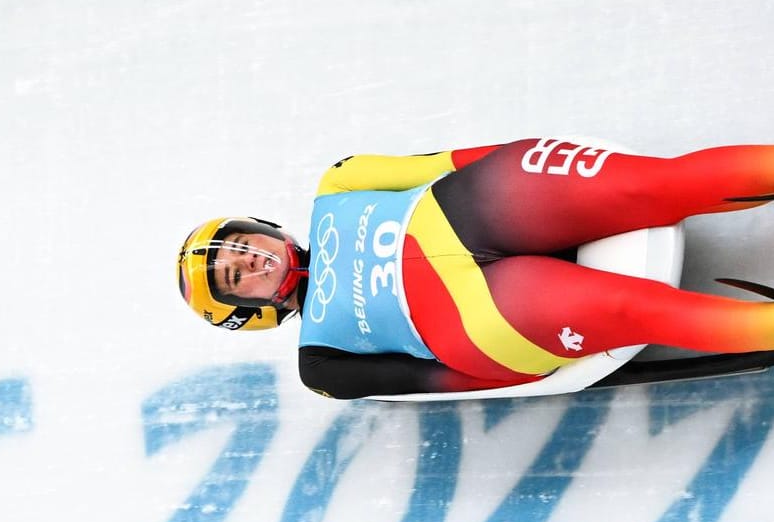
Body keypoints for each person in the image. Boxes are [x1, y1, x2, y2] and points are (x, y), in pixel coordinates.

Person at [176, 139, 774, 399]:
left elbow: (454, 161)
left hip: (476, 207)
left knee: (660, 184)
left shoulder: (339, 181)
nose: (253, 258)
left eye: (244, 245)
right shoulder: (318, 363)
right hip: (475, 316)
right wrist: (536, 375)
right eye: (239, 276)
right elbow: (431, 386)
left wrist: (532, 161)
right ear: (247, 313)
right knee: (638, 311)